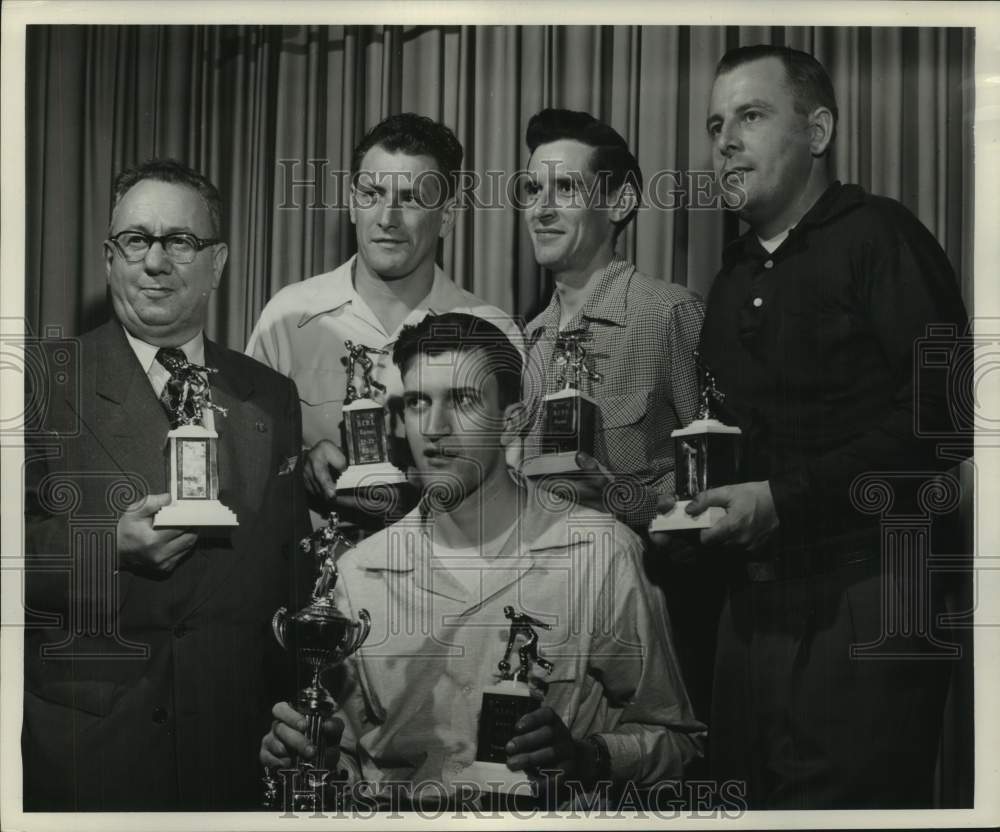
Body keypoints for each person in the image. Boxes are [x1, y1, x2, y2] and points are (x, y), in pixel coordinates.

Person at [661, 45, 971, 808]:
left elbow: (944, 429)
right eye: (714, 124)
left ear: (819, 129)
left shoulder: (883, 238)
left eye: (752, 116)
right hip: (747, 616)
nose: (725, 139)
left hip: (869, 602)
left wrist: (785, 501)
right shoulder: (731, 280)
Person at [260, 312, 704, 811]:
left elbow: (680, 742)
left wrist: (587, 756)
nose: (435, 427)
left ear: (512, 419)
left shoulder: (601, 553)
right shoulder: (360, 573)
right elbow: (345, 755)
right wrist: (309, 757)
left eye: (463, 401)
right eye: (417, 403)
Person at [22, 159, 309, 810]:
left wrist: (293, 708)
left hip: (234, 755)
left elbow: (288, 576)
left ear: (218, 262)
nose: (155, 261)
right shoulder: (38, 381)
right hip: (91, 758)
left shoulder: (271, 395)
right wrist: (104, 548)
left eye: (181, 241)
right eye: (136, 240)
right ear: (108, 256)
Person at [246, 113, 520, 518]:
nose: (387, 218)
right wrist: (300, 464)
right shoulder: (288, 317)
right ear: (353, 204)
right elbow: (245, 456)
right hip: (308, 574)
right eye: (371, 194)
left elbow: (513, 480)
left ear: (446, 216)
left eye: (410, 199)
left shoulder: (493, 331)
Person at [520, 108, 704, 528]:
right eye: (533, 189)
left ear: (619, 203)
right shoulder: (530, 339)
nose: (540, 209)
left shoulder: (668, 315)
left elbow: (713, 489)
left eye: (565, 187)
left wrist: (618, 499)